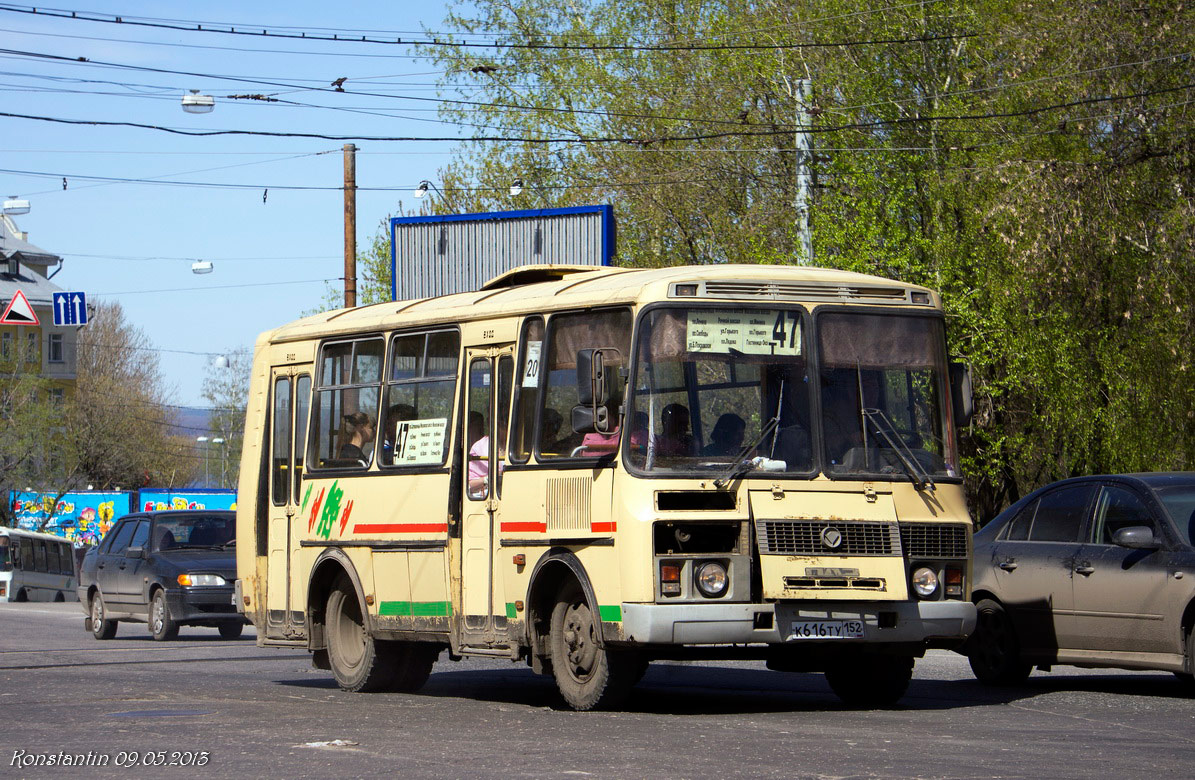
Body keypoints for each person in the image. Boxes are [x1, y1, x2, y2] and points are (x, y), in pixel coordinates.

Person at [467, 411, 489, 498]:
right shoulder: (476, 449)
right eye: (475, 427)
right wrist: (488, 479)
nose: (480, 431)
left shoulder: (486, 445)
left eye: (481, 427)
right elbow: (468, 485)